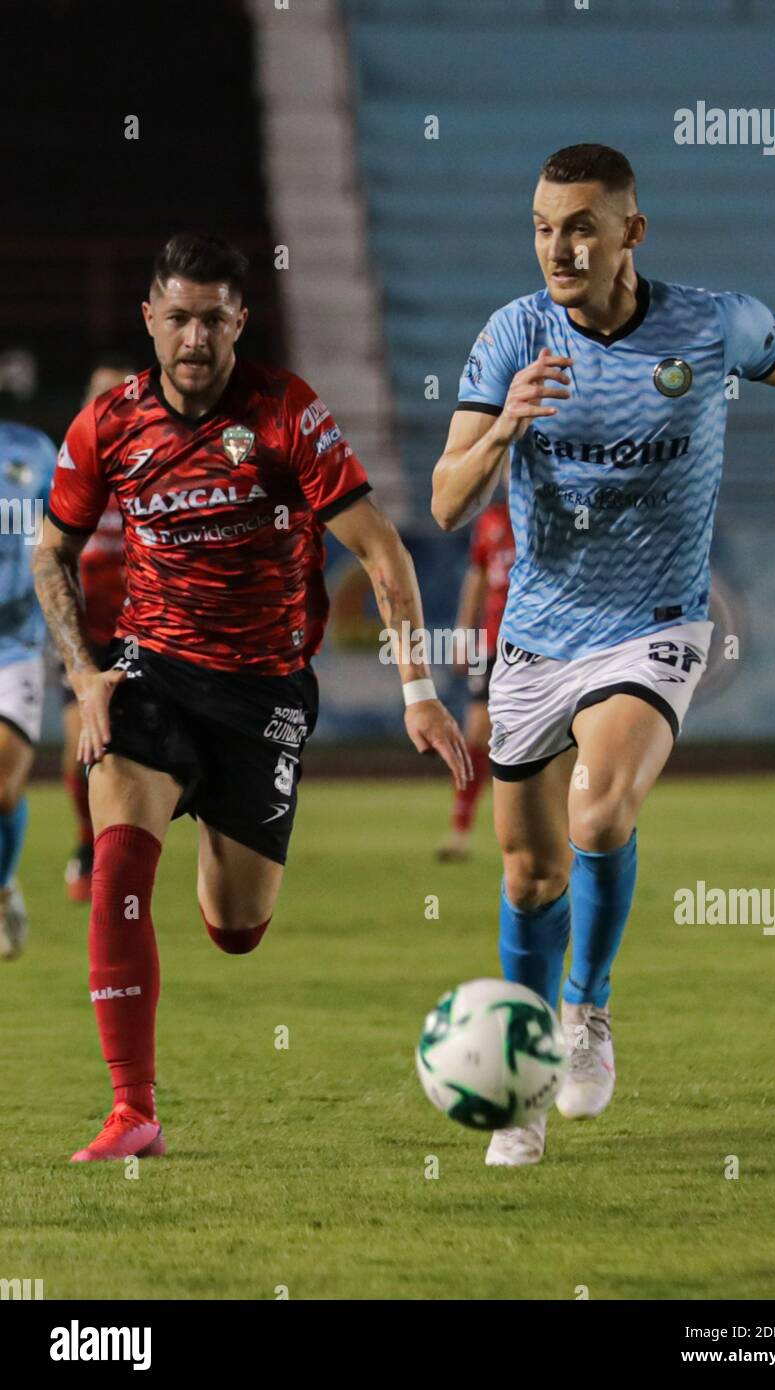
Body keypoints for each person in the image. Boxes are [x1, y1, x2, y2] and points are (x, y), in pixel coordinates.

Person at [432, 143, 775, 1166]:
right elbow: (448, 500)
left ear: (631, 230)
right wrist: (502, 430)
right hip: (537, 638)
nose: (557, 247)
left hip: (656, 623)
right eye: (542, 226)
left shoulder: (708, 324)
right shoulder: (513, 337)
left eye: (580, 225)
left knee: (597, 806)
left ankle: (585, 1009)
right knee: (529, 874)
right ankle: (521, 1085)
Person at [35, 232, 470, 1161]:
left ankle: (214, 827)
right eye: (179, 317)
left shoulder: (284, 413)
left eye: (214, 319)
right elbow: (50, 552)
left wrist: (419, 692)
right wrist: (86, 673)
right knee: (118, 870)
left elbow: (382, 550)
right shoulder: (107, 425)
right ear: (150, 318)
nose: (195, 337)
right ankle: (133, 1111)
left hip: (264, 693)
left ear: (241, 321)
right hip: (150, 673)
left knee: (237, 930)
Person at [61, 357, 135, 902]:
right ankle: (88, 845)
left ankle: (119, 859)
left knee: (126, 758)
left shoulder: (154, 468)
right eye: (98, 396)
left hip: (142, 634)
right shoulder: (69, 472)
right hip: (84, 636)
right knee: (76, 751)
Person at [0, 418, 56, 958]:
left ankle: (3, 886)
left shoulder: (32, 449)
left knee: (2, 788)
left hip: (14, 644)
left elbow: (62, 537)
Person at [437, 495, 514, 862]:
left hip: (543, 645)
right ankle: (459, 828)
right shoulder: (491, 521)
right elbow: (478, 575)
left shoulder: (554, 512)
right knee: (476, 735)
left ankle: (559, 831)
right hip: (493, 644)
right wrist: (463, 634)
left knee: (554, 740)